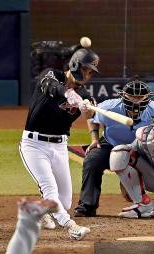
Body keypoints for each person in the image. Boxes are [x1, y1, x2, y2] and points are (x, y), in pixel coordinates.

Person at [19, 47, 99, 240]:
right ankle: (71, 226)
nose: (88, 76)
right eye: (87, 70)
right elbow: (51, 87)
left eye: (91, 72)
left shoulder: (84, 95)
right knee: (50, 189)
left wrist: (90, 111)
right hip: (34, 145)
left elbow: (91, 113)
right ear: (76, 65)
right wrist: (69, 94)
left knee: (65, 200)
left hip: (59, 147)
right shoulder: (51, 75)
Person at [74, 79, 154, 217]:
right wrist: (95, 139)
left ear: (148, 97)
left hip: (141, 149)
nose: (136, 100)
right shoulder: (109, 107)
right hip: (111, 144)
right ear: (123, 96)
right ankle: (87, 206)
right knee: (92, 160)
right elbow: (92, 118)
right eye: (132, 96)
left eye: (140, 97)